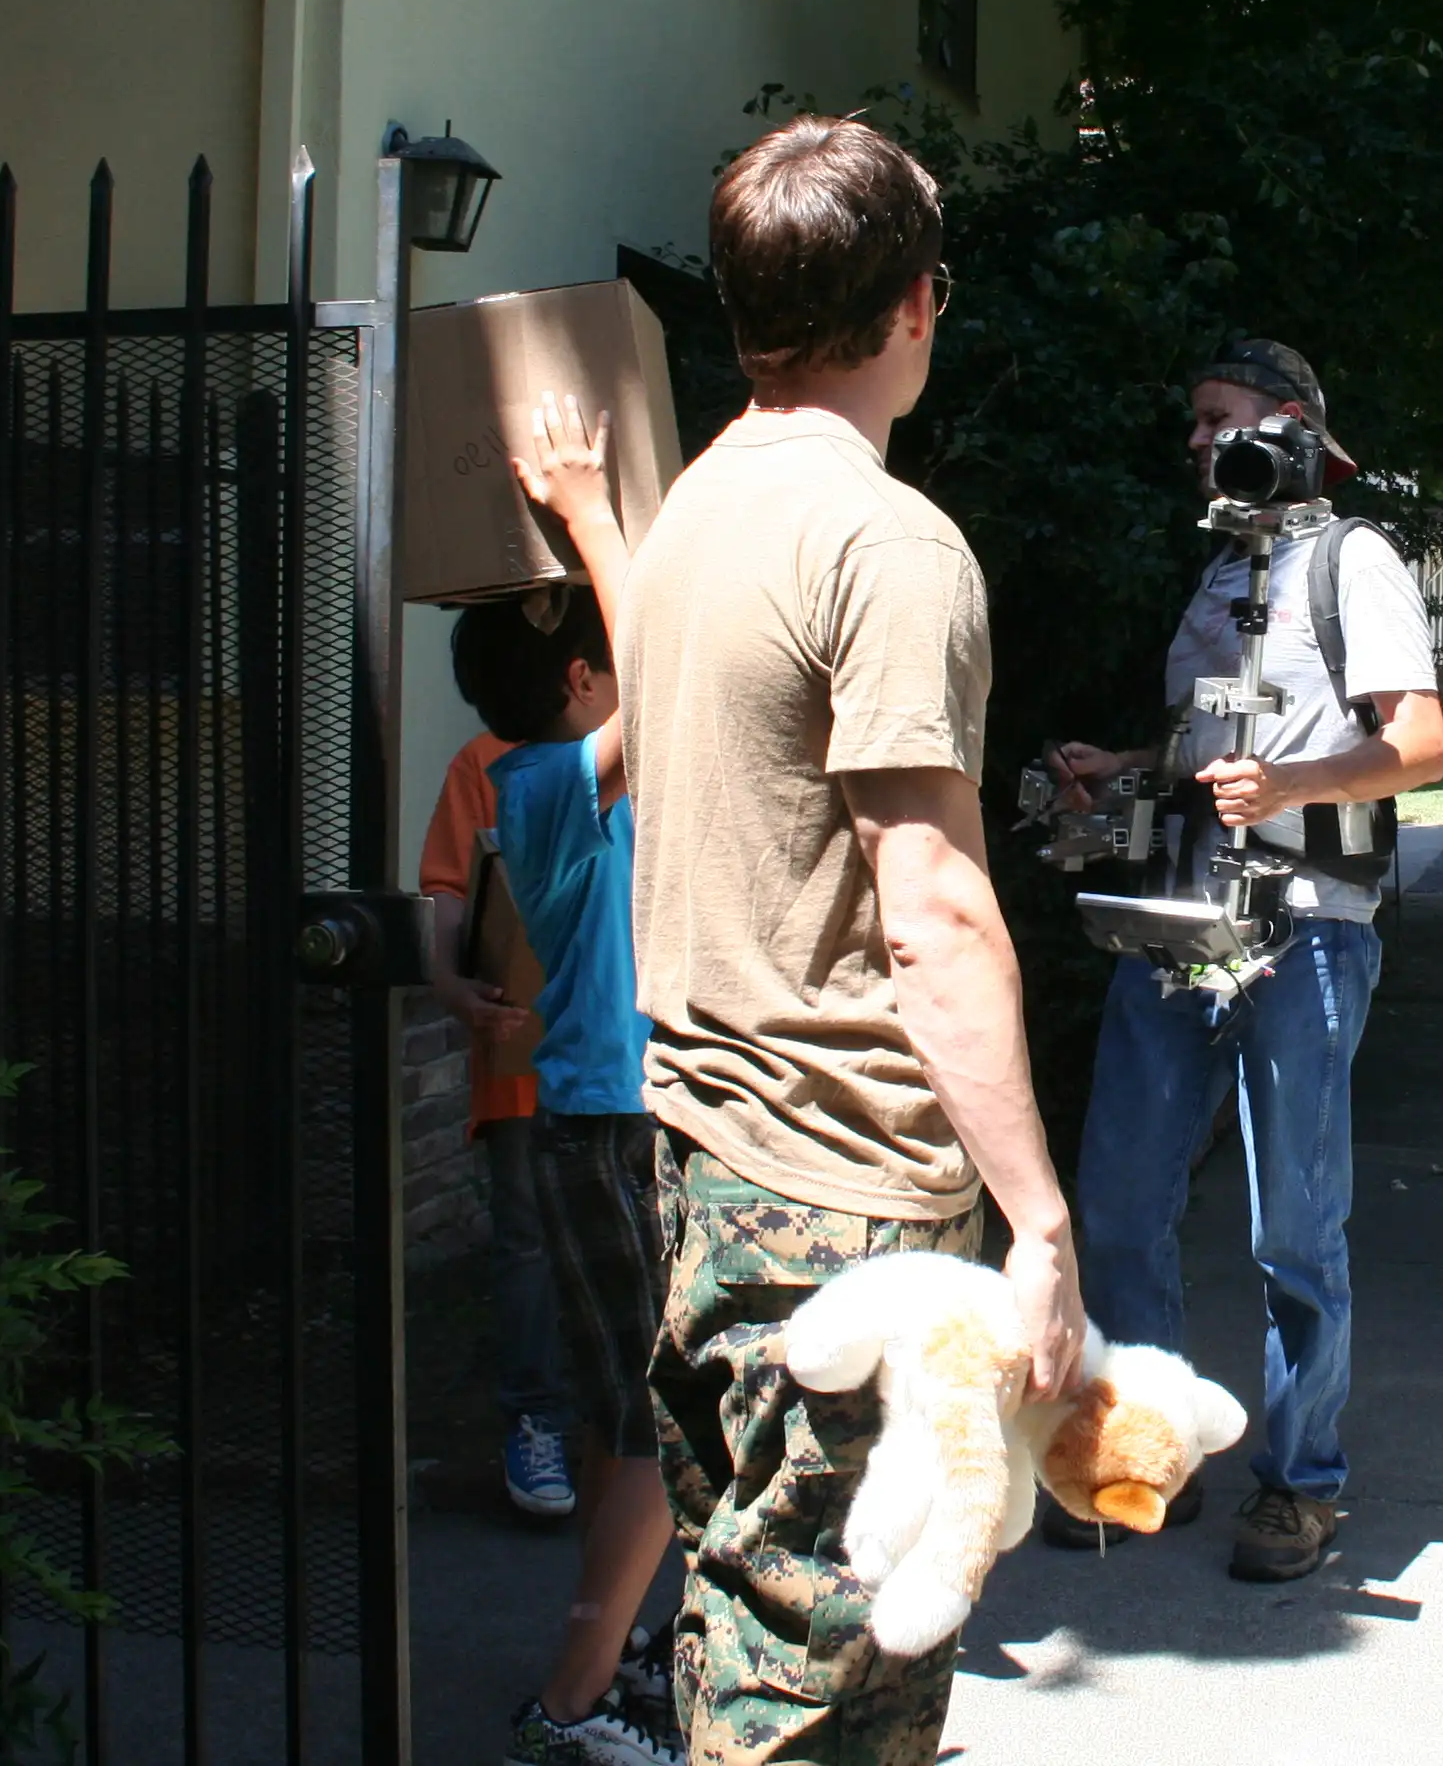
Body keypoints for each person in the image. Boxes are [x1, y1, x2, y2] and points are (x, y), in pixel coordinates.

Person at [621, 116, 1085, 1766]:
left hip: (693, 1159)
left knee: (746, 1610)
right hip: (837, 1188)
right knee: (825, 1662)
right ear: (912, 306)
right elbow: (937, 909)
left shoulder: (692, 512)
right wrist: (1037, 1217)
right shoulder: (888, 544)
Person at [1038, 339, 1443, 1583]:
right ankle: (1148, 1455)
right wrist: (1127, 765)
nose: (1196, 441)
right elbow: (1204, 752)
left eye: (1214, 418)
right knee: (1117, 1202)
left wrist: (1292, 785)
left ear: (1285, 422)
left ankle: (1302, 1481)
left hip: (1309, 928)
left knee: (1295, 1227)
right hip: (1177, 918)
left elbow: (1421, 745)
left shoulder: (1354, 559)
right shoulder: (1221, 573)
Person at [444, 395, 677, 1766]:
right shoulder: (544, 784)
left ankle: (634, 1638)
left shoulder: (528, 775)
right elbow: (671, 672)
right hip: (615, 1122)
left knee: (613, 1406)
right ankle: (576, 1700)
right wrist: (591, 509)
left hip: (587, 1118)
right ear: (586, 689)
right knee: (658, 1417)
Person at [418, 731, 581, 1521]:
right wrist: (452, 985)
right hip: (526, 1044)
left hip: (629, 1049)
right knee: (529, 1239)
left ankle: (628, 1430)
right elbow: (452, 889)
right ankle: (536, 1417)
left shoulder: (651, 731)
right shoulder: (481, 759)